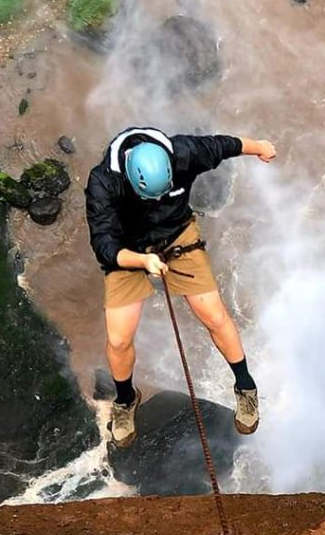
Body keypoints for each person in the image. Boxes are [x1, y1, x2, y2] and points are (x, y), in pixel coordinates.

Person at [84, 126, 276, 447]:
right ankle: (126, 399)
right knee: (119, 339)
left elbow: (222, 146)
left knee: (213, 315)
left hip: (177, 234)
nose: (157, 200)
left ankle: (246, 387)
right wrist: (142, 262)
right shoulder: (103, 182)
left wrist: (260, 146)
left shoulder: (183, 153)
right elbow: (104, 243)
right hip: (127, 247)